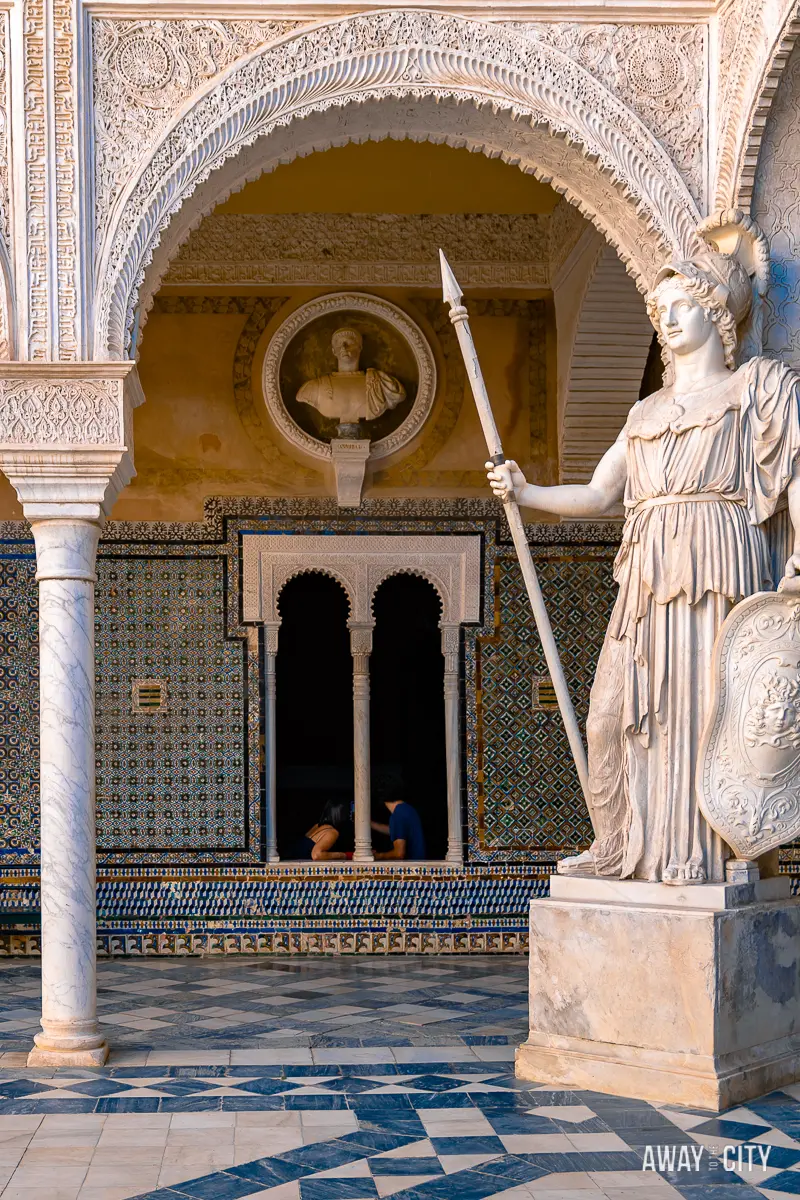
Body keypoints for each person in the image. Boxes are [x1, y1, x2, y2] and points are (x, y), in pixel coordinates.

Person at [487, 214, 800, 885]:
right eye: (658, 309)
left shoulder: (760, 387)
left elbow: (795, 470)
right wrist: (526, 489)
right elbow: (602, 495)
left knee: (708, 704)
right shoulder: (645, 413)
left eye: (680, 303)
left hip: (720, 554)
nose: (666, 318)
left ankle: (713, 854)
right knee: (621, 716)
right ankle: (635, 848)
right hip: (651, 571)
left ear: (716, 310)